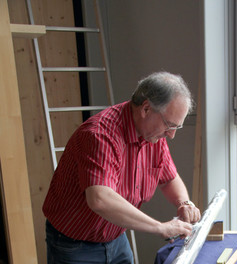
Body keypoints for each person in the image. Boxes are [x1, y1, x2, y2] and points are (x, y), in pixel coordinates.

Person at [42, 71, 201, 264]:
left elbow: (169, 178)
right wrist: (160, 227)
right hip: (75, 245)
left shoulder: (153, 135)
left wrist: (183, 203)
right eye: (169, 125)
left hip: (115, 238)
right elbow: (100, 199)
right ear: (146, 109)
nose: (171, 135)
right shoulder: (100, 135)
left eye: (177, 127)